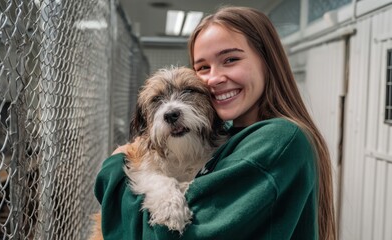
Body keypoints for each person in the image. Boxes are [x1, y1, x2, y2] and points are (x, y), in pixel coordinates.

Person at [94, 6, 336, 240]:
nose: (215, 79)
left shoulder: (278, 141)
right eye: (202, 67)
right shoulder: (231, 134)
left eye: (230, 59)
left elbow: (174, 234)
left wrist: (113, 171)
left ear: (267, 60)